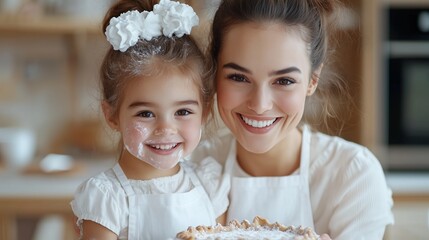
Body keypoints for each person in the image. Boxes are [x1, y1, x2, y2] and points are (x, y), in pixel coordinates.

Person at [190, 0, 394, 239]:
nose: (260, 104)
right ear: (214, 74)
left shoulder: (352, 175)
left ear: (312, 81)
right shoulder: (191, 168)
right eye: (238, 77)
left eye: (284, 81)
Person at [70, 0, 228, 239]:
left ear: (205, 112)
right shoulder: (108, 198)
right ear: (112, 115)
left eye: (183, 112)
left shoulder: (209, 185)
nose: (165, 128)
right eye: (145, 114)